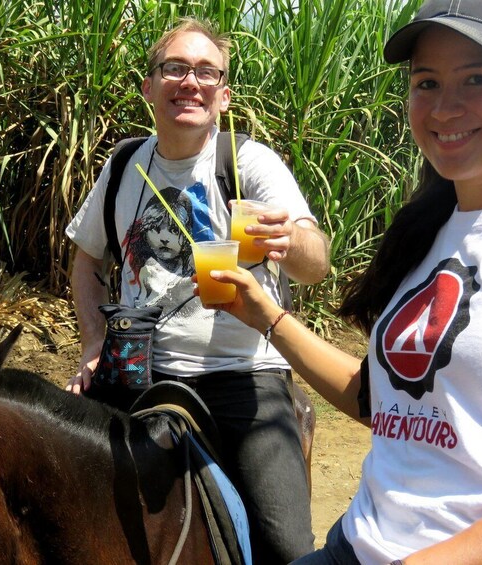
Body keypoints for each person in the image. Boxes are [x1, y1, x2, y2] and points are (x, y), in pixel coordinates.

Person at [207, 0, 482, 563]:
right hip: (361, 544)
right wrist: (268, 318)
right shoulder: (427, 228)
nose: (445, 107)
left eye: (477, 78)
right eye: (427, 82)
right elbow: (387, 406)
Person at [64, 17, 330, 563]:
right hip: (135, 367)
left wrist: (287, 240)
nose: (191, 81)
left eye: (207, 72)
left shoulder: (246, 162)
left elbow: (316, 262)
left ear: (224, 95)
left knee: (286, 546)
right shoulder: (123, 167)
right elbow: (86, 260)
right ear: (149, 87)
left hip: (241, 374)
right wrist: (93, 343)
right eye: (176, 69)